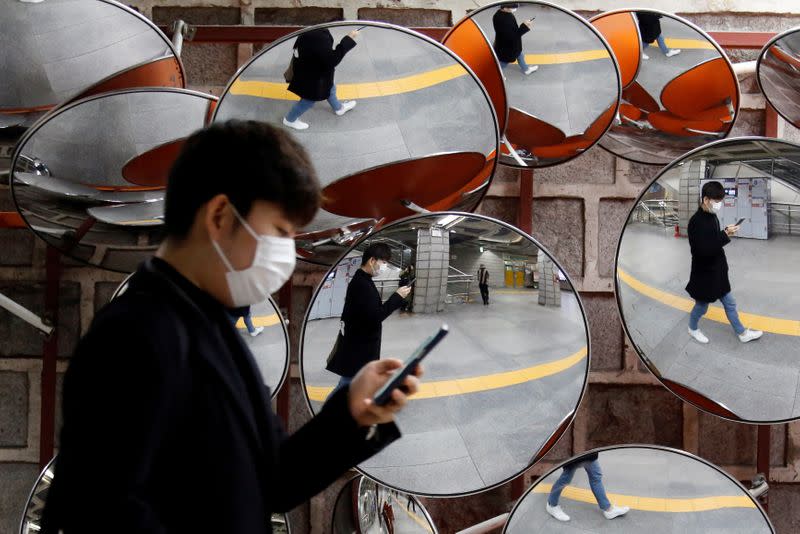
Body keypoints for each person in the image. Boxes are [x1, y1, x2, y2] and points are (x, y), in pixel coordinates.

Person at [40, 120, 422, 534]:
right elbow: (94, 513)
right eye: (279, 232)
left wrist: (351, 414)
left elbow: (270, 480)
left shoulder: (213, 327)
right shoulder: (134, 336)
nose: (286, 256)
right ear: (220, 215)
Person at [326, 243, 412, 396]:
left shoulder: (363, 280)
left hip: (358, 346)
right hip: (359, 350)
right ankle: (329, 413)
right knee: (346, 385)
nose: (385, 266)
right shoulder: (362, 284)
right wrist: (397, 297)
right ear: (372, 260)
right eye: (384, 262)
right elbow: (376, 316)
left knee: (349, 383)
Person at [685, 181, 763, 344]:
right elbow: (702, 251)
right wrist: (725, 234)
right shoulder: (696, 222)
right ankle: (692, 328)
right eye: (717, 201)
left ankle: (742, 334)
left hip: (717, 271)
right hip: (705, 274)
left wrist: (724, 232)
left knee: (730, 303)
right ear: (706, 200)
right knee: (702, 307)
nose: (719, 204)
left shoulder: (711, 216)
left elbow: (712, 240)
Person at [283, 28, 359, 130]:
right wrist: (348, 39)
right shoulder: (318, 36)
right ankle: (289, 120)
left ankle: (339, 108)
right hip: (314, 77)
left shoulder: (313, 28)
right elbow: (331, 60)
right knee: (308, 100)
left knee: (330, 88)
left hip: (313, 70)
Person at [546, 452, 629, 522]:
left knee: (596, 476)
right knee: (566, 479)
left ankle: (608, 509)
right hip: (574, 451)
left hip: (588, 450)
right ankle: (551, 504)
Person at [492, 3, 538, 77]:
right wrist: (525, 26)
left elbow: (510, 32)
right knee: (504, 63)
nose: (514, 9)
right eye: (512, 7)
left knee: (520, 55)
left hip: (506, 44)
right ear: (504, 7)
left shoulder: (499, 14)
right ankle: (496, 76)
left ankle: (526, 69)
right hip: (508, 47)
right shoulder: (504, 20)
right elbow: (513, 37)